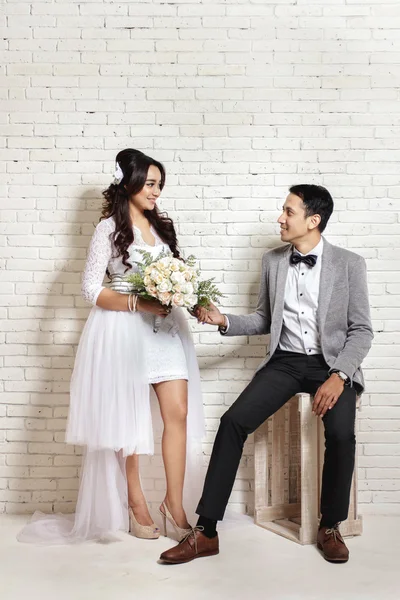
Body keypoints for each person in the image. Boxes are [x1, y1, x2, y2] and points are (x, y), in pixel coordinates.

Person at [160, 184, 373, 564]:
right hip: (286, 362)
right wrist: (222, 319)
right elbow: (264, 319)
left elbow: (362, 330)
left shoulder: (349, 264)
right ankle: (206, 531)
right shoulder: (273, 261)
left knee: (342, 433)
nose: (280, 217)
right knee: (232, 422)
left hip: (332, 364)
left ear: (313, 220)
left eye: (288, 211)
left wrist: (340, 374)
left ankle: (331, 525)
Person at [18, 148, 204, 544]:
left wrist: (193, 296)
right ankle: (136, 504)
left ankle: (174, 507)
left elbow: (180, 273)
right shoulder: (108, 228)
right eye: (150, 184)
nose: (156, 192)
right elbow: (90, 287)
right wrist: (138, 300)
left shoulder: (163, 228)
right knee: (130, 420)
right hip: (124, 330)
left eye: (159, 185)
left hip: (166, 330)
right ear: (129, 183)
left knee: (179, 412)